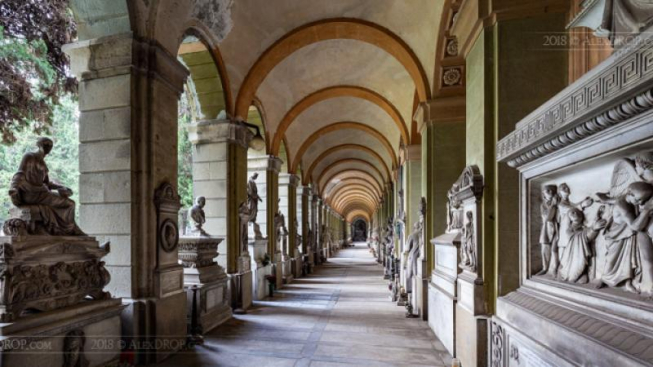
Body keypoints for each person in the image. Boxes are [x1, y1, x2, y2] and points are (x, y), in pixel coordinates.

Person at [8, 137, 84, 235]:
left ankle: (66, 230)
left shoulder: (43, 163)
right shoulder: (29, 156)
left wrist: (61, 188)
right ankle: (70, 230)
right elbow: (20, 174)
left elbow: (47, 183)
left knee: (69, 203)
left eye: (50, 145)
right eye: (45, 144)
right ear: (39, 145)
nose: (48, 147)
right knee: (70, 204)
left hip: (42, 193)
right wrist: (14, 187)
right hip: (31, 194)